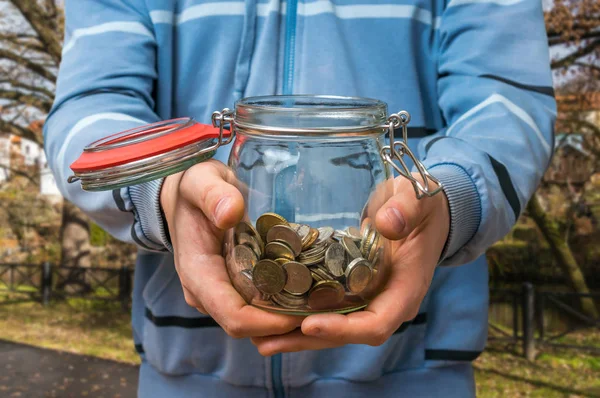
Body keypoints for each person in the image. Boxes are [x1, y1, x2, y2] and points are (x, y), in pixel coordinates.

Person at [44, 0, 556, 396]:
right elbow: (89, 113)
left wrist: (451, 198)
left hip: (414, 372)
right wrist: (164, 188)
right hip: (185, 372)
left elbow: (507, 104)